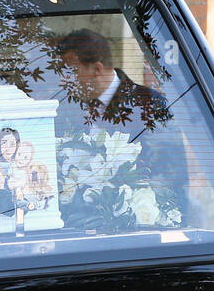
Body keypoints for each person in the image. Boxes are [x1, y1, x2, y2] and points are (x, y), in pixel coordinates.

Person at [54, 29, 187, 227]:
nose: (65, 81)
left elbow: (170, 176)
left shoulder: (150, 106)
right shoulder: (67, 110)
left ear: (97, 69)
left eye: (72, 72)